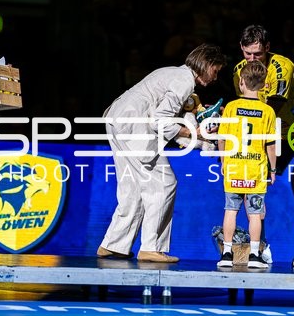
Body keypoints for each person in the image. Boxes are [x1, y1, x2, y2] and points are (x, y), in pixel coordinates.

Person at [97, 43, 227, 263]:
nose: (215, 78)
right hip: (135, 125)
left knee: (133, 186)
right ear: (206, 64)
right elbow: (161, 121)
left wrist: (195, 136)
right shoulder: (184, 80)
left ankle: (113, 244)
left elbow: (167, 122)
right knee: (163, 183)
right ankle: (151, 247)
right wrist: (194, 133)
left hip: (119, 119)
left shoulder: (172, 73)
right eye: (216, 71)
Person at [232, 25, 294, 269]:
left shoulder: (281, 68)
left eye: (257, 54)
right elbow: (248, 108)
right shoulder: (238, 72)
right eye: (247, 54)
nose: (252, 59)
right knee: (256, 181)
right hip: (275, 132)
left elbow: (269, 111)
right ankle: (260, 246)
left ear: (267, 48)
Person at [217, 61, 277, 269]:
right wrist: (273, 169)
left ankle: (226, 253)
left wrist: (224, 161)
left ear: (241, 82)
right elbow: (270, 144)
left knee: (230, 211)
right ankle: (253, 255)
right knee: (254, 215)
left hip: (234, 166)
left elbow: (222, 138)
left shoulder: (232, 107)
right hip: (255, 169)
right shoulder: (267, 110)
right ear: (263, 85)